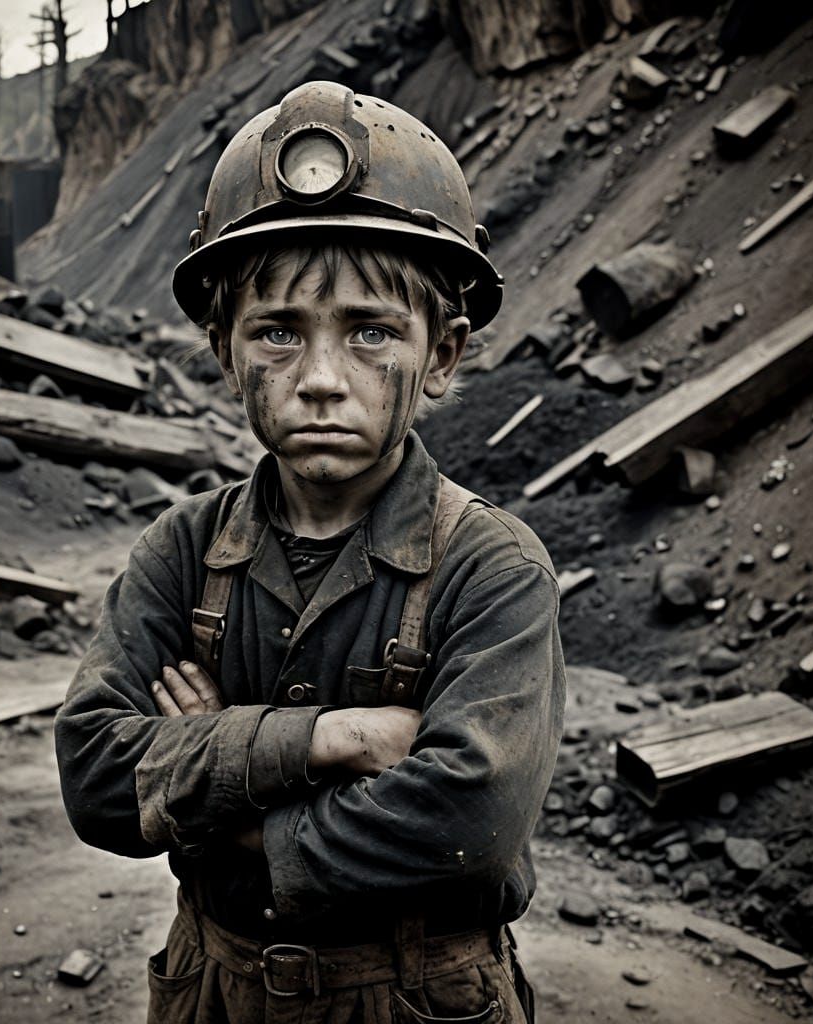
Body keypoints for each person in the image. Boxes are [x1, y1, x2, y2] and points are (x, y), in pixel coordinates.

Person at [54, 80, 565, 1024]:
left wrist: (216, 781)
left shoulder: (492, 568)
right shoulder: (181, 550)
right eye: (278, 332)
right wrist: (333, 738)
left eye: (372, 331)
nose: (322, 380)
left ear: (443, 355)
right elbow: (93, 777)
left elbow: (468, 827)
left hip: (419, 999)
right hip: (214, 988)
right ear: (223, 349)